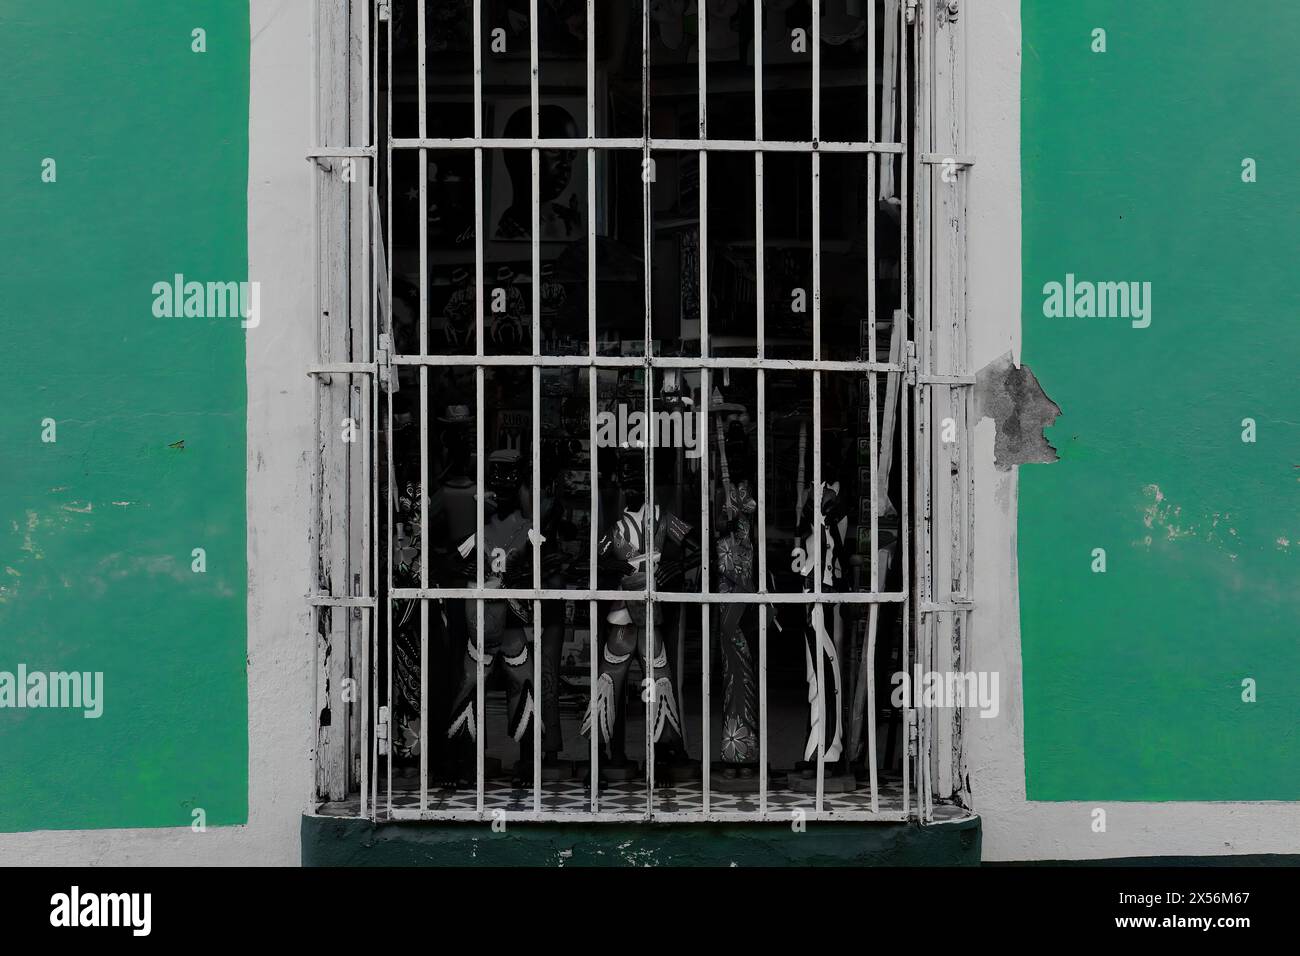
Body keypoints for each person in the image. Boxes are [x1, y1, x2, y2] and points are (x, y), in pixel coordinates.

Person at [495, 105, 580, 240]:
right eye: (553, 149)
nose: (566, 164)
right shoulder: (505, 233)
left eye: (571, 154)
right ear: (517, 155)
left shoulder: (569, 221)